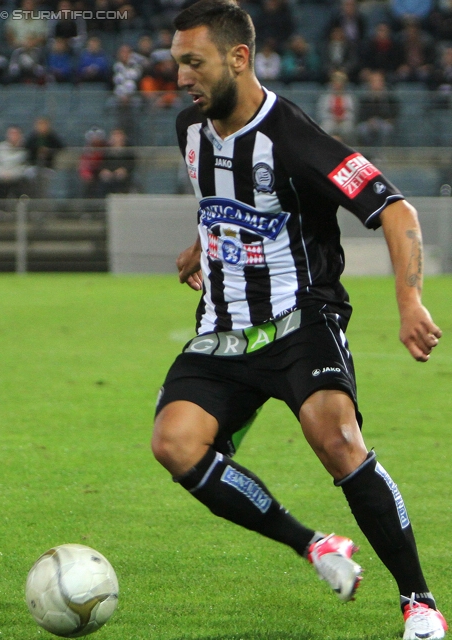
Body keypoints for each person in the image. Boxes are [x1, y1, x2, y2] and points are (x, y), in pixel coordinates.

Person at [151, 2, 448, 640]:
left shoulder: (295, 137)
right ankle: (314, 545)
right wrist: (201, 245)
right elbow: (221, 203)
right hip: (223, 329)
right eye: (177, 62)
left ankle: (419, 601)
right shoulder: (190, 129)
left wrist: (409, 301)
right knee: (173, 445)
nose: (181, 77)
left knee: (337, 439)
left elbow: (397, 212)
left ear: (238, 58)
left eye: (192, 62)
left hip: (300, 320)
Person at [357, 70, 399, 145]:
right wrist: (368, 120)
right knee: (362, 129)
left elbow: (394, 111)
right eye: (374, 81)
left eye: (379, 81)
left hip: (384, 122)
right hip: (368, 122)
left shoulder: (389, 97)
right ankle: (368, 153)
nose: (377, 84)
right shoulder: (365, 98)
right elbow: (361, 113)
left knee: (387, 129)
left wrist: (389, 119)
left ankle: (382, 153)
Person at [25, 117, 64, 197]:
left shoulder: (52, 137)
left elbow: (61, 147)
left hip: (48, 166)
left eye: (44, 125)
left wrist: (49, 151)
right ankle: (29, 197)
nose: (42, 127)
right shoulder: (33, 137)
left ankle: (47, 199)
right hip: (33, 165)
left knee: (49, 179)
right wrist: (37, 150)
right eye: (40, 124)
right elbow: (27, 148)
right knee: (28, 175)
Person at [317, 69, 356, 144]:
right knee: (325, 128)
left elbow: (352, 112)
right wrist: (333, 117)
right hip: (330, 120)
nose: (338, 85)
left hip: (344, 121)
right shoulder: (325, 97)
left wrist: (343, 117)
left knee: (348, 129)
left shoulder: (349, 97)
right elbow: (321, 112)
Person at [0, 126, 30, 198]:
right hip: (1, 178)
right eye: (11, 133)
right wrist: (1, 174)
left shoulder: (25, 149)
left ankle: (21, 206)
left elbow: (25, 166)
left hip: (18, 178)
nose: (13, 136)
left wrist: (13, 174)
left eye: (16, 133)